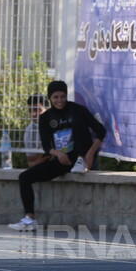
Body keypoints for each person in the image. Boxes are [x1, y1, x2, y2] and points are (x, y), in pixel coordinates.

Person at [9, 80, 106, 231]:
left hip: (83, 159)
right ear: (50, 98)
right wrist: (57, 153)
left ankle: (80, 160)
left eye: (62, 96)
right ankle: (30, 219)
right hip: (64, 160)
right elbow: (47, 146)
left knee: (78, 121)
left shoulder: (77, 110)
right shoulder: (46, 118)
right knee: (24, 177)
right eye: (55, 97)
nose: (59, 100)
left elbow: (101, 131)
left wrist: (90, 154)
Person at [23, 95, 50, 168]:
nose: (33, 114)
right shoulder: (29, 131)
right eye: (30, 110)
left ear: (48, 109)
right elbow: (30, 163)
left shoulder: (57, 124)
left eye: (37, 110)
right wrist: (38, 161)